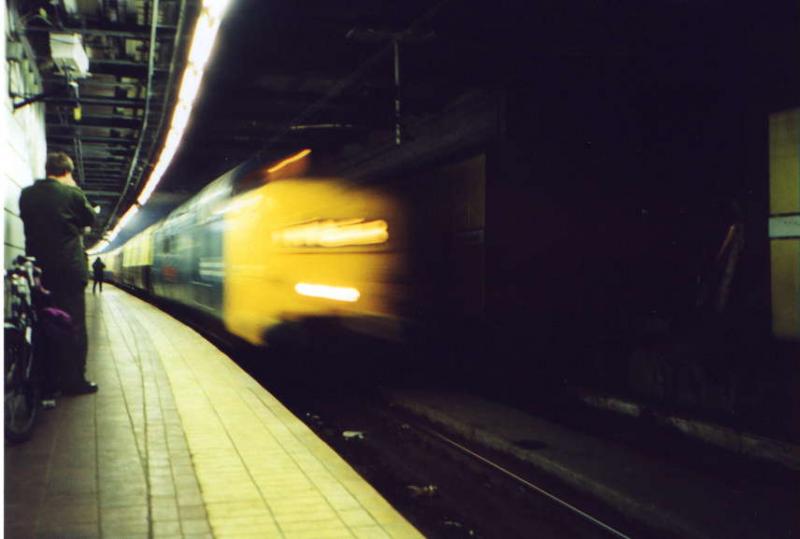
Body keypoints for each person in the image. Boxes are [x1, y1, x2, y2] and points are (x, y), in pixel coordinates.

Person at [19, 152, 98, 395]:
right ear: (67, 172)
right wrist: (74, 190)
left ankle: (47, 381)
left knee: (43, 323)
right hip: (69, 272)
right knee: (72, 324)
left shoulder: (27, 195)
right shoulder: (72, 194)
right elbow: (90, 218)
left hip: (39, 272)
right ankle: (74, 381)